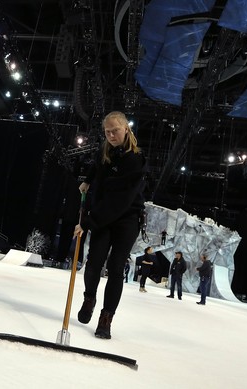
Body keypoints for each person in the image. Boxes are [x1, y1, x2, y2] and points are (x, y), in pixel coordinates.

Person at [74, 111, 147, 339]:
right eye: (107, 132)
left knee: (116, 268)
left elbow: (119, 201)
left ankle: (106, 318)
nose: (112, 135)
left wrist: (87, 222)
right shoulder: (105, 151)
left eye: (115, 130)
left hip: (126, 217)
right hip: (104, 214)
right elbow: (98, 166)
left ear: (126, 128)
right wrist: (87, 179)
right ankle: (89, 299)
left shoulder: (136, 160)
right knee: (94, 262)